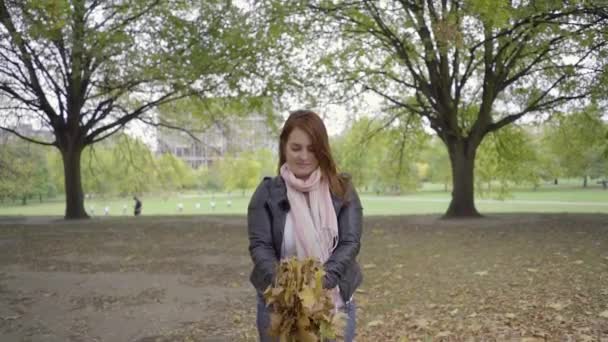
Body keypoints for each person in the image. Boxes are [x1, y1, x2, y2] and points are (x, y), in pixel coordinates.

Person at [247, 110, 363, 342]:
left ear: (322, 150)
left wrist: (320, 284)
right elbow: (260, 246)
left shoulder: (342, 190)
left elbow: (350, 242)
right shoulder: (267, 193)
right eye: (296, 148)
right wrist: (287, 287)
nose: (304, 156)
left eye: (312, 148)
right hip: (279, 307)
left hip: (333, 304)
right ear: (284, 148)